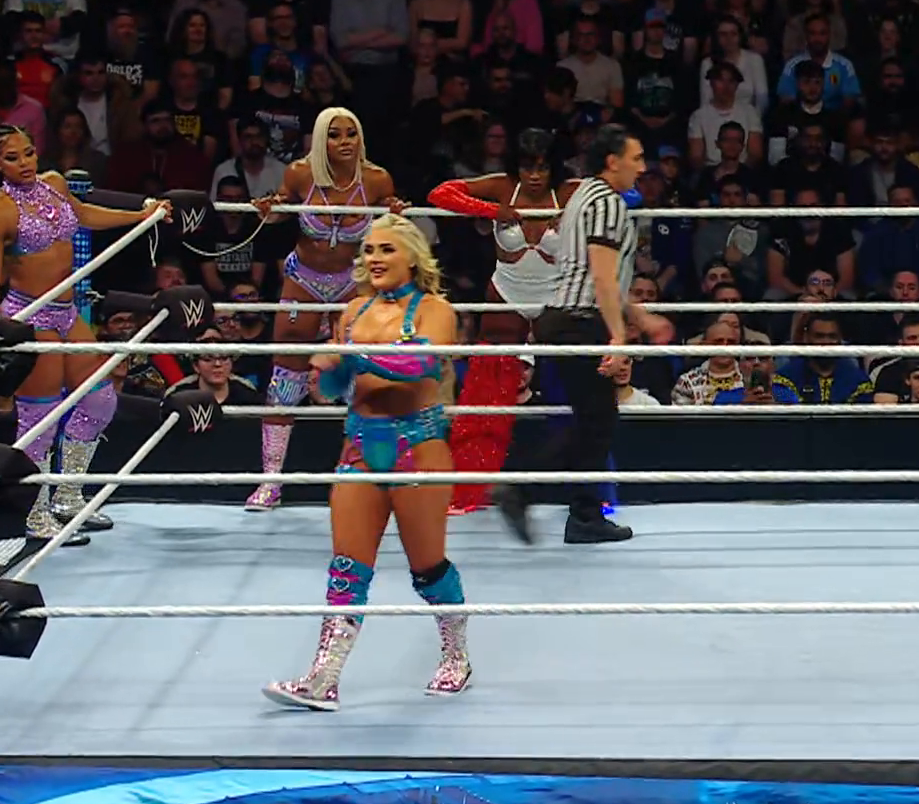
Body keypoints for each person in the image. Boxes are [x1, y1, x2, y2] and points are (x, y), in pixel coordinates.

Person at [263, 214, 470, 710]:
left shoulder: (436, 310)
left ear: (413, 258)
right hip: (359, 445)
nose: (374, 258)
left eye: (386, 249)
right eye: (369, 250)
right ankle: (324, 678)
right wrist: (325, 374)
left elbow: (423, 363)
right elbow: (341, 385)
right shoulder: (353, 311)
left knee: (428, 568)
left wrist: (353, 356)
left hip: (417, 446)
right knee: (346, 568)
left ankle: (456, 656)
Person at [0, 124, 174, 544]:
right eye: (12, 157)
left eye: (29, 152)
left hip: (67, 310)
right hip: (29, 317)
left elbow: (84, 215)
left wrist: (140, 216)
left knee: (99, 400)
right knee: (41, 418)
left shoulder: (54, 183)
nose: (25, 163)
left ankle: (67, 496)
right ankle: (35, 513)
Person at [491, 124, 674, 545]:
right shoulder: (607, 202)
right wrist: (618, 339)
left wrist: (643, 319)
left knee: (595, 419)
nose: (642, 167)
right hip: (580, 320)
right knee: (595, 420)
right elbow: (603, 279)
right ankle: (525, 490)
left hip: (564, 317)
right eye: (635, 158)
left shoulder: (582, 196)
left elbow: (597, 275)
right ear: (612, 161)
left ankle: (579, 512)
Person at [245, 107, 408, 512]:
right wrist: (270, 208)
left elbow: (390, 227)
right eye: (334, 135)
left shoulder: (376, 179)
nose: (344, 141)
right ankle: (270, 481)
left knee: (361, 377)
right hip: (304, 279)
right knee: (285, 377)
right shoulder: (301, 173)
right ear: (321, 139)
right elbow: (280, 206)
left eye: (351, 133)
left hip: (352, 282)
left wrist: (394, 213)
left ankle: (363, 477)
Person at [426, 128, 565, 514]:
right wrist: (491, 211)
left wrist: (573, 215)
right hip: (506, 295)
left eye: (542, 167)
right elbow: (440, 194)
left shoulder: (569, 191)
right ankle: (467, 490)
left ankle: (587, 495)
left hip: (556, 299)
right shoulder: (504, 186)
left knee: (576, 390)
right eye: (527, 166)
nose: (534, 175)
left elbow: (625, 195)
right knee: (485, 396)